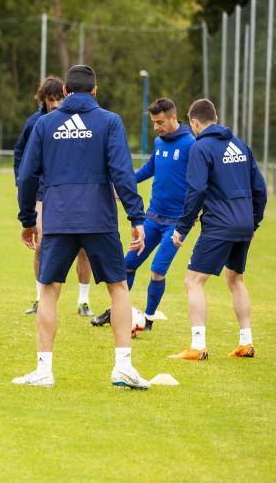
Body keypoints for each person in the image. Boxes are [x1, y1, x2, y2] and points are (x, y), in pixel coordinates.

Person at [15, 64, 149, 389]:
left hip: (59, 217)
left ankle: (44, 370)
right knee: (118, 287)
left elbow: (28, 175)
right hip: (98, 218)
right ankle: (123, 367)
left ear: (63, 92)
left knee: (49, 290)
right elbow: (122, 171)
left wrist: (28, 220)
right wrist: (136, 217)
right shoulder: (109, 121)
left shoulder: (46, 124)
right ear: (95, 91)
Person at [170, 99, 267, 360]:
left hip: (219, 225)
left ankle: (198, 345)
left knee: (193, 281)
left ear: (195, 123)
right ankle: (246, 343)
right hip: (243, 223)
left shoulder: (201, 148)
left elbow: (197, 189)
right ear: (216, 116)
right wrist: (253, 221)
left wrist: (182, 226)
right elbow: (260, 189)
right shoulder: (240, 145)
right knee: (235, 280)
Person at [91, 98, 195, 330]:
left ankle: (147, 319)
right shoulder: (159, 142)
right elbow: (150, 169)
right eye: (154, 122)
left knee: (158, 270)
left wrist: (196, 212)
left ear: (173, 117)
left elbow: (201, 182)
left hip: (175, 224)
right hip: (153, 218)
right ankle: (117, 312)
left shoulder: (191, 144)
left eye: (159, 122)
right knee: (127, 264)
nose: (156, 127)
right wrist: (123, 184)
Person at [15, 76, 94, 317]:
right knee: (41, 242)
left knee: (83, 247)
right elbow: (20, 154)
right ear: (44, 99)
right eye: (51, 100)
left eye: (59, 98)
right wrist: (21, 183)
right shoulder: (35, 123)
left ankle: (83, 300)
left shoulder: (77, 121)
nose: (56, 104)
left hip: (73, 192)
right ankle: (40, 298)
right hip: (41, 192)